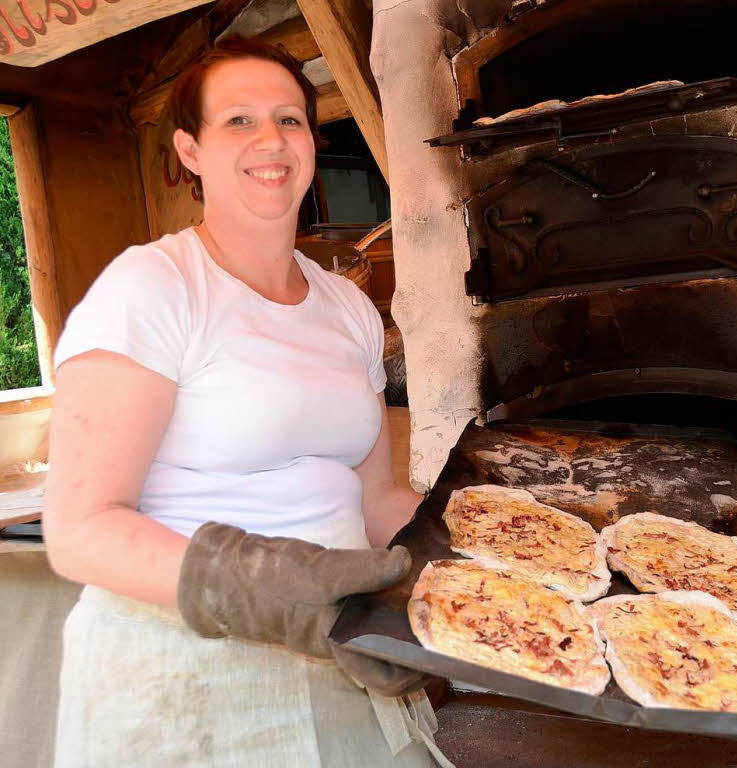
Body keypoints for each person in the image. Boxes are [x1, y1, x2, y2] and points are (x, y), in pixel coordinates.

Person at [43, 36, 450, 767]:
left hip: (344, 652)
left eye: (290, 119)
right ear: (190, 150)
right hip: (182, 671)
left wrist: (471, 549)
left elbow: (374, 498)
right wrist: (275, 590)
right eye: (238, 121)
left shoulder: (347, 308)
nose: (272, 140)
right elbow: (80, 528)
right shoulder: (155, 287)